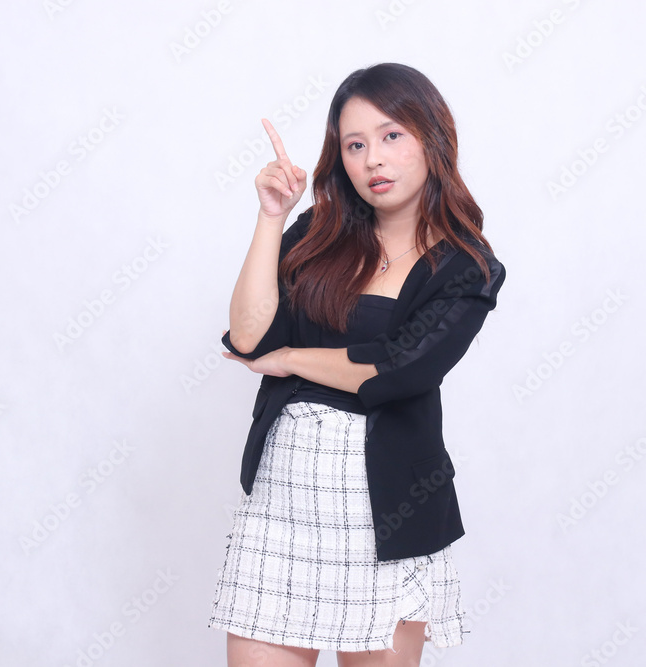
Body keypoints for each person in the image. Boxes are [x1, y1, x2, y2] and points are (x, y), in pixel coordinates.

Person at [207, 62, 507, 667]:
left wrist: (291, 357)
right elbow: (247, 336)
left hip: (390, 512)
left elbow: (399, 372)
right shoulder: (318, 233)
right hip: (284, 505)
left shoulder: (466, 267)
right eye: (355, 144)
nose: (374, 158)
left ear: (432, 138)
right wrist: (272, 217)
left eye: (392, 135)